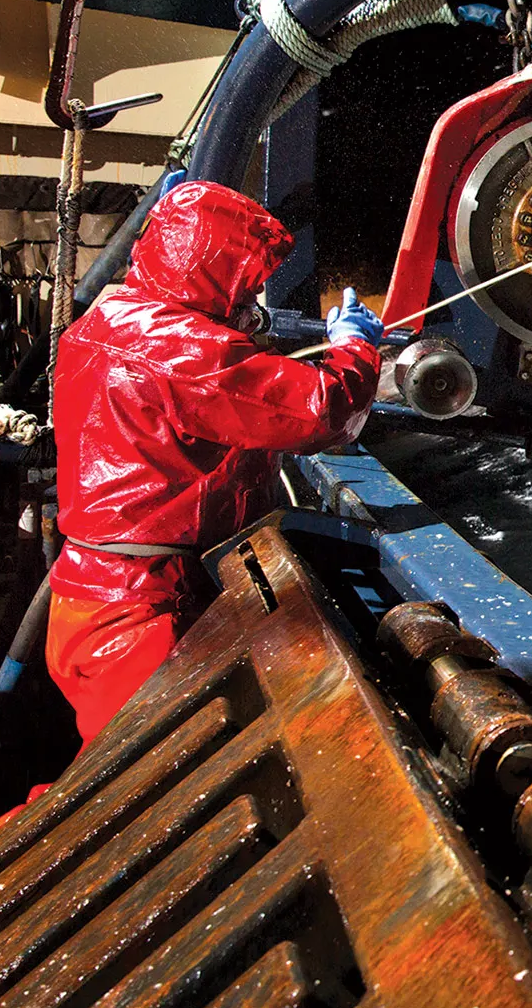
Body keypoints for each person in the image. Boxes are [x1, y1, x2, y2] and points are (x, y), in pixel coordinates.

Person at [44, 179, 384, 740]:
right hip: (140, 618)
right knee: (145, 797)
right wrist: (356, 349)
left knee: (121, 783)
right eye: (247, 284)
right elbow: (320, 413)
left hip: (91, 596)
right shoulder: (181, 348)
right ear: (212, 267)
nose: (252, 300)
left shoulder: (108, 318)